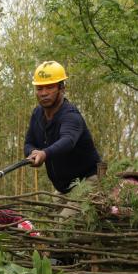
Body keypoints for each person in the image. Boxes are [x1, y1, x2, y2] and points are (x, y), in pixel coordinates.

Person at [24, 61, 101, 195]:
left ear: (62, 88)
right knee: (51, 215)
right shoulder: (37, 114)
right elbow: (29, 142)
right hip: (63, 188)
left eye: (49, 87)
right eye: (39, 88)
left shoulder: (70, 115)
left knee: (65, 217)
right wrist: (33, 151)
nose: (44, 93)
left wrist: (44, 154)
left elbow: (68, 141)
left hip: (88, 181)